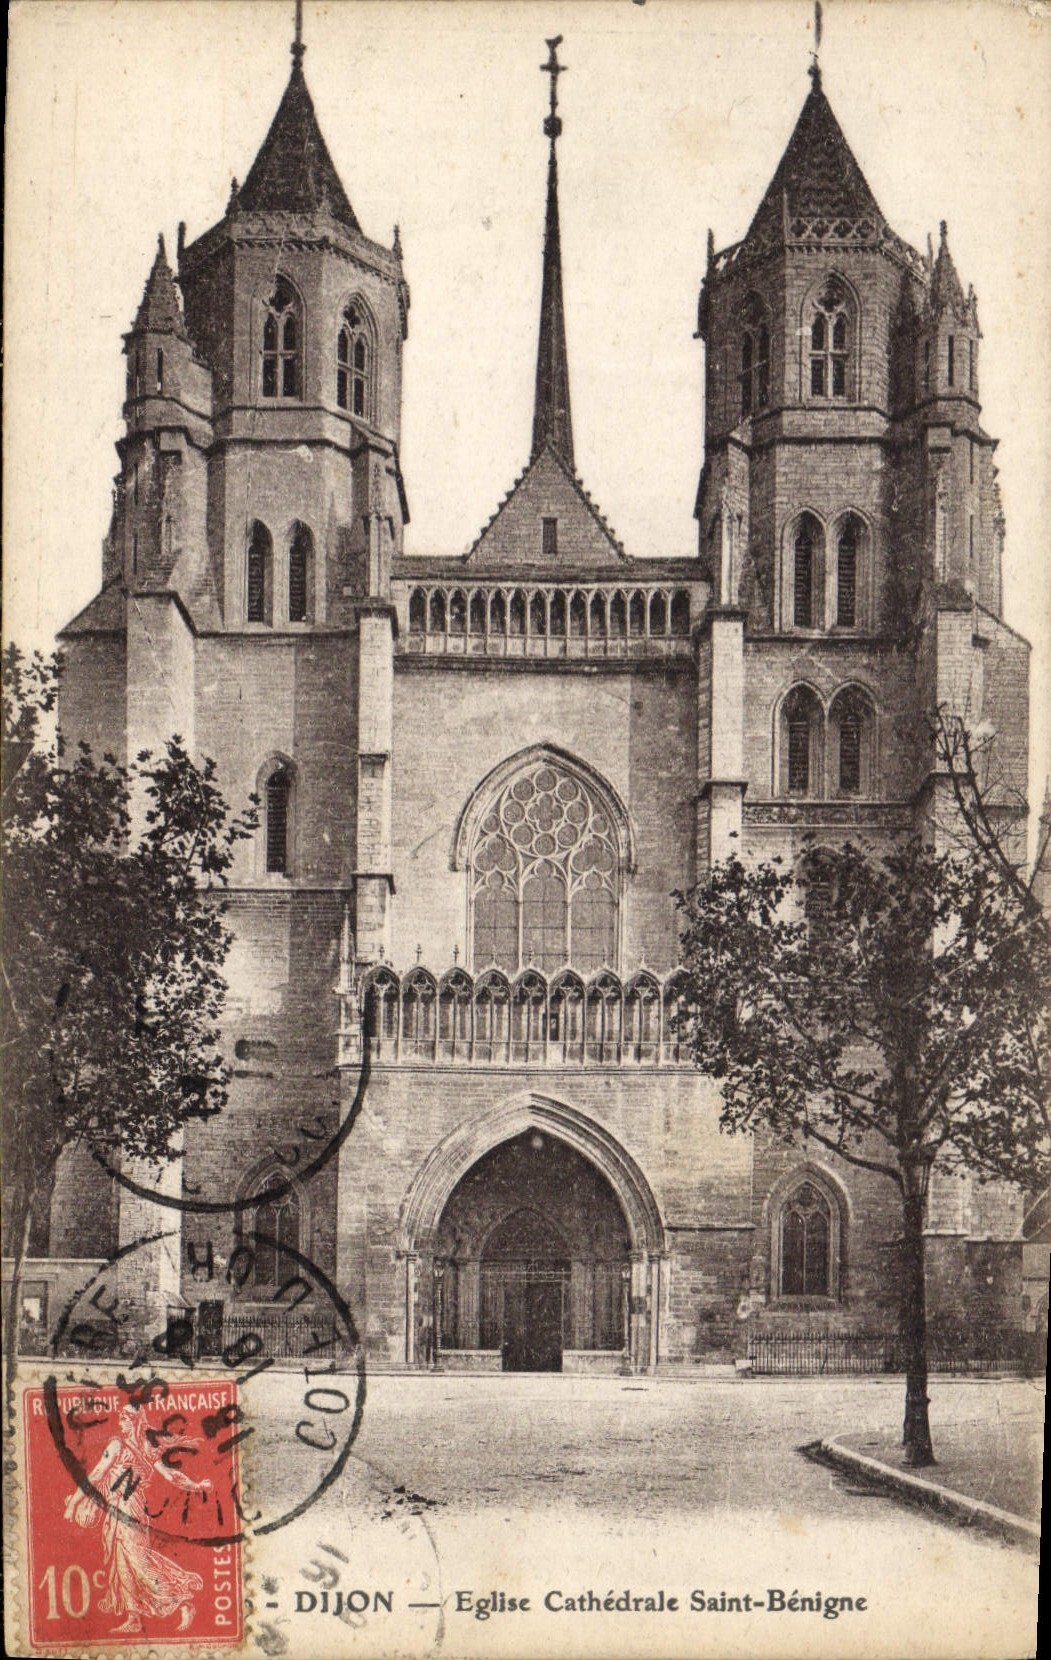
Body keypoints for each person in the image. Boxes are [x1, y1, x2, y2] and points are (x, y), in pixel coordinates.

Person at [64, 1405, 210, 1634]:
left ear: (135, 1422)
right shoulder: (117, 1445)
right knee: (123, 1564)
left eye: (125, 1418)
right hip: (115, 1510)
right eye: (120, 1417)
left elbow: (171, 1475)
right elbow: (97, 1475)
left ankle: (182, 1601)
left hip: (131, 1511)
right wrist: (75, 1501)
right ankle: (133, 1619)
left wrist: (196, 1485)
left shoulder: (145, 1450)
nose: (120, 1422)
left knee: (139, 1562)